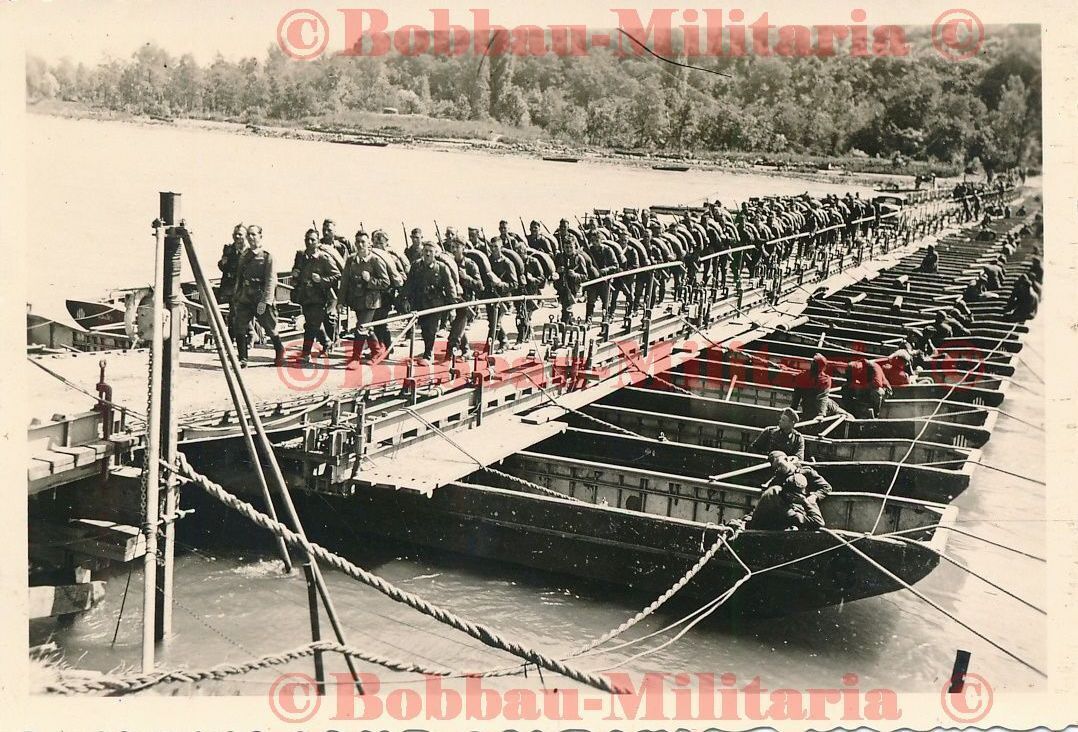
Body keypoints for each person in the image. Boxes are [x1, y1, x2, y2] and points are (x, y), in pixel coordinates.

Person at [230, 225, 285, 367]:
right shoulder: (245, 255)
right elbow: (239, 277)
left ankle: (280, 351)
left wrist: (266, 301)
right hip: (245, 297)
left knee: (270, 327)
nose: (250, 237)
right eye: (248, 234)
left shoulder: (267, 256)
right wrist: (237, 295)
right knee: (239, 326)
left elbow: (271, 280)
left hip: (260, 298)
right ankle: (243, 358)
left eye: (254, 234)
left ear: (260, 236)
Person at [290, 228, 342, 364]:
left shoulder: (324, 258)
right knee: (314, 323)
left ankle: (306, 353)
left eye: (312, 239)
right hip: (304, 296)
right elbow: (297, 270)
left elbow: (337, 275)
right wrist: (295, 274)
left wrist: (321, 280)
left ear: (318, 241)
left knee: (310, 325)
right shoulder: (301, 255)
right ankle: (327, 342)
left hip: (319, 297)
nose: (309, 242)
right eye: (307, 239)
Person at [339, 230, 391, 364]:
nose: (360, 245)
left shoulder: (375, 260)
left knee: (361, 328)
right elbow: (344, 281)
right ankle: (376, 351)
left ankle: (355, 358)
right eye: (358, 242)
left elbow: (385, 282)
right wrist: (340, 301)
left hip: (371, 301)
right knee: (366, 327)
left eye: (363, 242)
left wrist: (370, 280)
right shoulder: (351, 260)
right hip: (357, 300)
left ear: (369, 244)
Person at [404, 240, 457, 365]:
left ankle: (428, 355)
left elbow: (450, 289)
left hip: (435, 304)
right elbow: (409, 285)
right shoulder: (416, 266)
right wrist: (405, 299)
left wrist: (452, 308)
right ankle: (428, 351)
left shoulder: (442, 268)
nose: (428, 254)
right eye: (425, 251)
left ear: (435, 253)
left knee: (431, 330)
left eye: (430, 252)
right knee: (424, 330)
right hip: (420, 303)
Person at [745, 473, 825, 531]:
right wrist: (805, 502)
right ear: (792, 495)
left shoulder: (774, 490)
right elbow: (818, 522)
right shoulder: (785, 511)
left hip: (759, 530)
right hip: (764, 539)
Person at [448, 238, 483, 358]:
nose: (454, 250)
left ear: (463, 248)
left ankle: (453, 349)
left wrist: (466, 277)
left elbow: (479, 285)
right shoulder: (449, 263)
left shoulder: (470, 265)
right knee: (457, 325)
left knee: (457, 327)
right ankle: (465, 349)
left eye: (457, 247)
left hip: (467, 300)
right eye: (452, 247)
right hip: (454, 299)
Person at [486, 236, 519, 351]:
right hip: (490, 296)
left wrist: (501, 284)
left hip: (503, 297)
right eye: (491, 246)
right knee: (492, 321)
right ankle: (503, 341)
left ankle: (490, 346)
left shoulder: (507, 263)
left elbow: (514, 284)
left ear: (501, 247)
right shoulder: (488, 261)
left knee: (496, 322)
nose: (493, 249)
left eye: (496, 246)